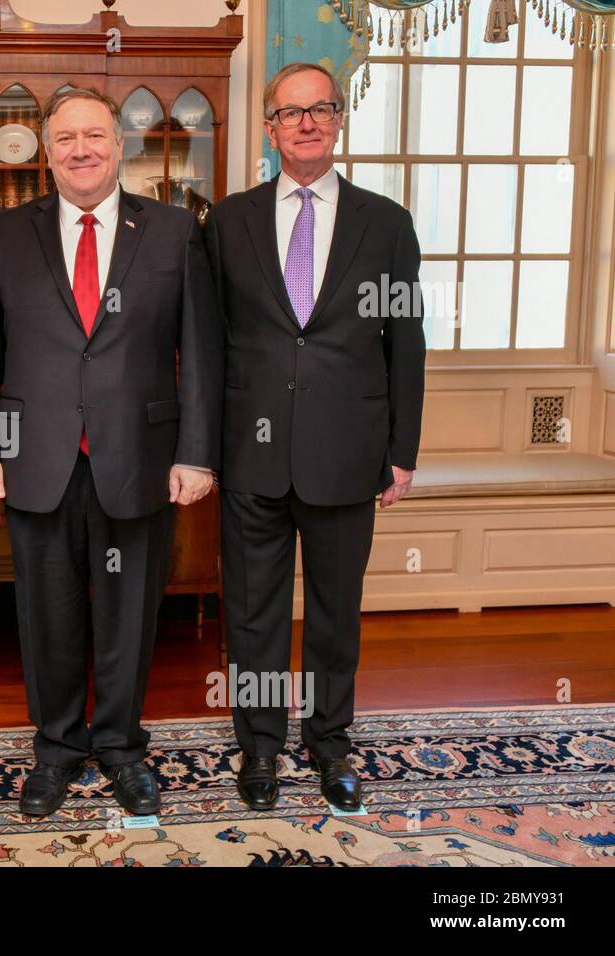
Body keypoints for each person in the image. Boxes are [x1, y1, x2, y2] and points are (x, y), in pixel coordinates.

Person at [0, 88, 224, 817]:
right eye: (66, 138)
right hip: (35, 460)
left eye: (95, 136)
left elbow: (198, 352)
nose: (81, 149)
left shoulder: (173, 230)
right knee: (46, 618)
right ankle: (55, 750)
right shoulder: (8, 233)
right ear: (47, 153)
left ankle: (120, 748)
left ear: (120, 146)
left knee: (129, 616)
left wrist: (197, 455)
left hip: (139, 457)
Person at [204, 63, 426, 812]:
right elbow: (207, 345)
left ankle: (330, 745)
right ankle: (260, 747)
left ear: (337, 121)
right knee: (253, 612)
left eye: (320, 109)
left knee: (336, 613)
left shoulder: (386, 222)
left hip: (348, 451)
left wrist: (403, 451)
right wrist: (201, 448)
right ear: (269, 128)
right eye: (290, 112)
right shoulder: (227, 221)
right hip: (249, 453)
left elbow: (407, 342)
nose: (306, 122)